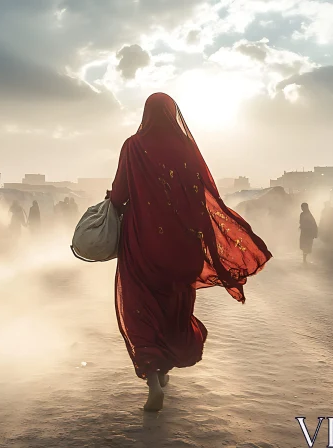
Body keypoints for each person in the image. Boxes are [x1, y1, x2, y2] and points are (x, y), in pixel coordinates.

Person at [108, 92, 272, 412]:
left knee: (141, 307)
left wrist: (113, 206)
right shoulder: (186, 148)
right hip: (183, 247)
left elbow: (119, 194)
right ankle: (165, 367)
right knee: (173, 308)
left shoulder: (133, 146)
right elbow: (203, 197)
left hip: (142, 244)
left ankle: (154, 378)